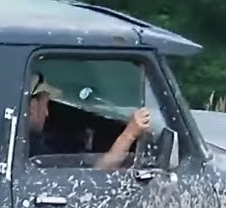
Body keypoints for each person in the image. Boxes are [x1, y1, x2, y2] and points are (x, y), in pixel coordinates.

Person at [25, 72, 154, 168]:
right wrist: (130, 134)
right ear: (32, 106)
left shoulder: (22, 147)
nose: (47, 114)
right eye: (45, 105)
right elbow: (98, 176)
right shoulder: (33, 152)